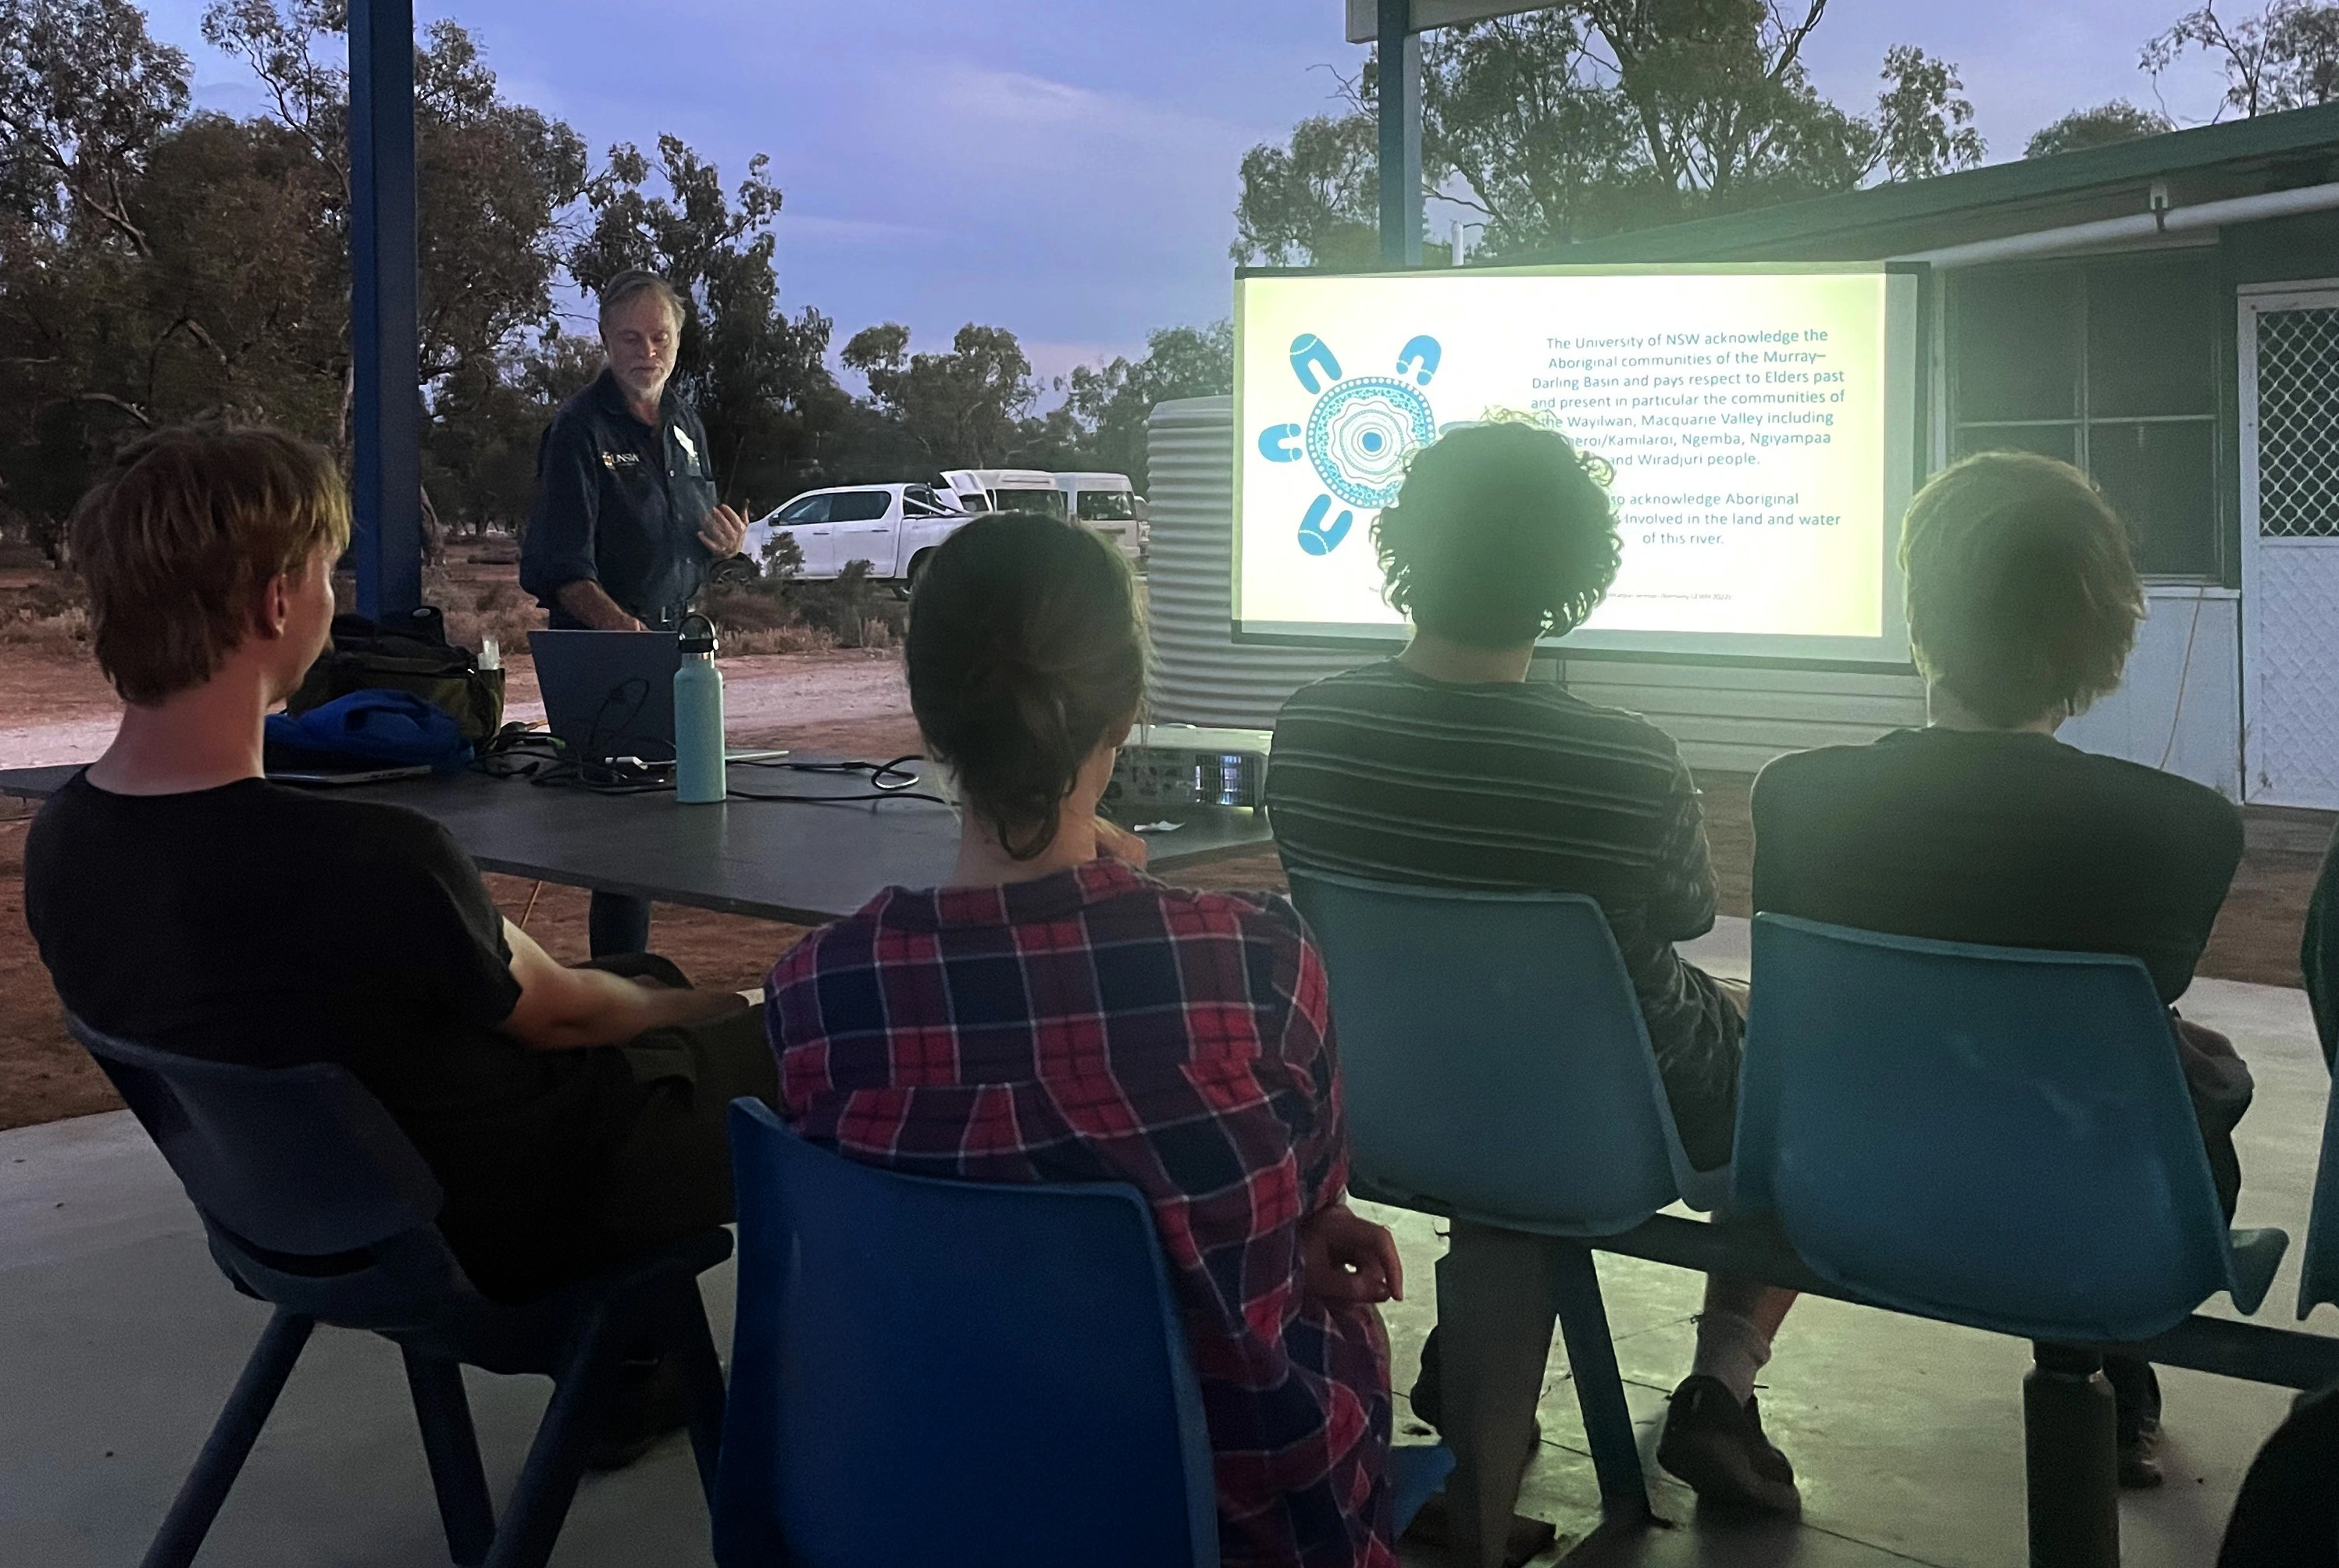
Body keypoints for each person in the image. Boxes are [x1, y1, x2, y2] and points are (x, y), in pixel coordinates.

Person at [24, 426, 779, 1466]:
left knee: (642, 974)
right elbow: (560, 1014)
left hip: (313, 1222)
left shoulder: (66, 841)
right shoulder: (368, 856)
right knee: (800, 1049)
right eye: (324, 575)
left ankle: (623, 1381)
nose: (330, 601)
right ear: (274, 603)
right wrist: (726, 1011)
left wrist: (645, 995)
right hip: (501, 1230)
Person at [765, 511, 1404, 1567]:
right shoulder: (1254, 961)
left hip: (923, 1506)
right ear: (1126, 708)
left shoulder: (817, 994)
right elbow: (1307, 1202)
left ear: (929, 715)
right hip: (1227, 1526)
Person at [1266, 419, 1799, 1526]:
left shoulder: (1309, 730)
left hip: (1392, 1109)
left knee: (1514, 1051)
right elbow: (1687, 917)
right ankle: (1721, 1383)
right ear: (1572, 576)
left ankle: (1472, 1380)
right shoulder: (1628, 760)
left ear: (1405, 547)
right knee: (1799, 1077)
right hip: (1598, 1126)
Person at [1753, 451, 2248, 1491]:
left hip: (1848, 1192)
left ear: (1920, 613)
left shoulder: (1797, 797)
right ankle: (2104, 1362)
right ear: (2099, 631)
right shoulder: (2184, 831)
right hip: (2101, 1223)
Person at [519, 269, 751, 958]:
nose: (647, 351)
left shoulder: (684, 424)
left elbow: (686, 538)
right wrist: (630, 636)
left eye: (660, 336)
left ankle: (630, 977)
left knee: (668, 818)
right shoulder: (578, 429)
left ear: (678, 339)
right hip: (604, 653)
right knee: (622, 846)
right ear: (604, 339)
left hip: (676, 647)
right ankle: (618, 981)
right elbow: (560, 569)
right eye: (630, 337)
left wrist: (725, 545)